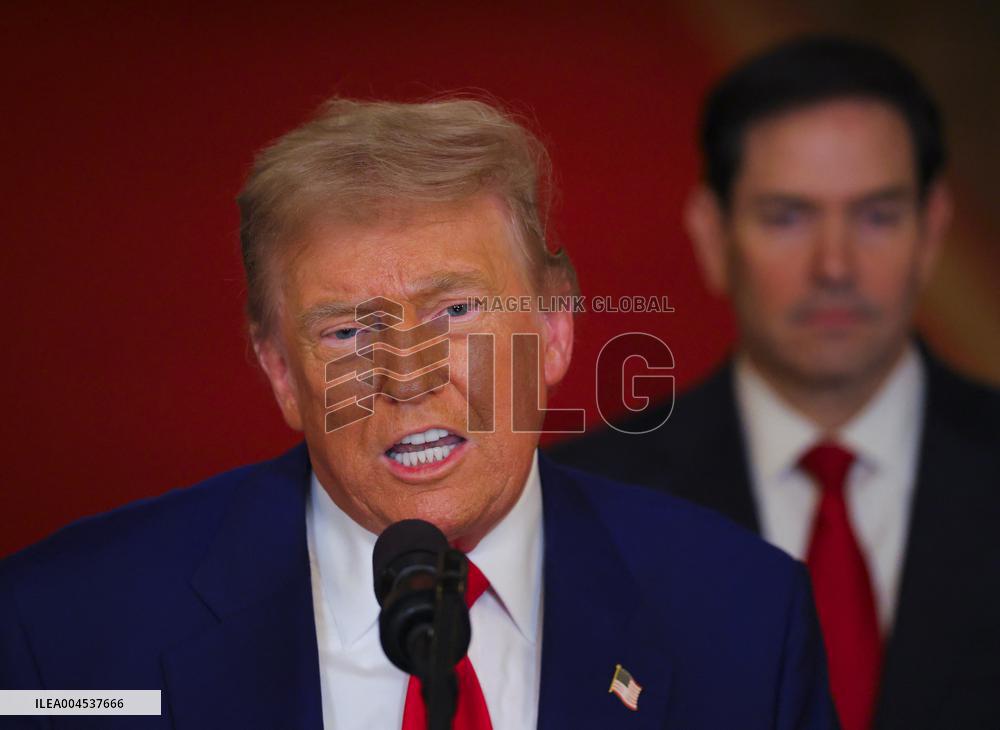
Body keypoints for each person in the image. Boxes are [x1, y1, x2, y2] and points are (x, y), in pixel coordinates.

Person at [0, 97, 837, 729]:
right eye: (348, 329)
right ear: (280, 372)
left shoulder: (745, 622)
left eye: (456, 313)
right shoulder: (66, 636)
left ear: (553, 331)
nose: (409, 377)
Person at [552, 35, 1000, 730]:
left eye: (877, 215)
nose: (835, 266)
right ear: (712, 236)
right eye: (787, 216)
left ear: (932, 232)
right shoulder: (586, 507)